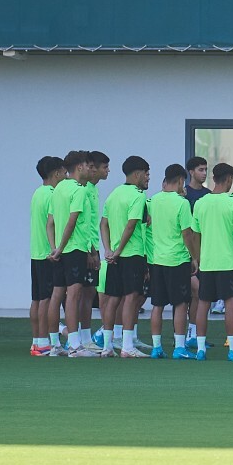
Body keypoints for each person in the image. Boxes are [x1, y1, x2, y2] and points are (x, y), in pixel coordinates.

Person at [189, 163, 233, 361]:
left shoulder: (201, 203)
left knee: (203, 304)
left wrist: (197, 258)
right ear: (228, 179)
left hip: (207, 263)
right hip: (228, 263)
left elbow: (194, 234)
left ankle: (200, 349)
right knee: (231, 304)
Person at [47, 150, 96, 356]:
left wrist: (54, 247)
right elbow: (72, 220)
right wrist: (61, 247)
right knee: (73, 295)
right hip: (74, 248)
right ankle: (75, 345)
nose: (89, 169)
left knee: (57, 294)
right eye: (87, 165)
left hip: (60, 250)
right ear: (79, 167)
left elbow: (50, 222)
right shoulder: (79, 190)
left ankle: (54, 345)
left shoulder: (57, 189)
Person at [147, 164, 196, 359]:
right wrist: (194, 257)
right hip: (177, 259)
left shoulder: (153, 200)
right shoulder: (182, 203)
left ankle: (156, 347)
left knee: (157, 305)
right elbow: (187, 234)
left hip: (157, 258)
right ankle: (179, 347)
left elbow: (149, 222)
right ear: (181, 181)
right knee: (181, 304)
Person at [102, 156, 150, 358]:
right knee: (131, 298)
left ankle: (107, 346)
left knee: (113, 299)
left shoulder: (113, 194)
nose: (148, 178)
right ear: (137, 174)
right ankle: (127, 346)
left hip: (114, 256)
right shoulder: (138, 196)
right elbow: (131, 225)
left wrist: (108, 250)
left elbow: (103, 223)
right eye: (146, 173)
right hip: (131, 254)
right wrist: (119, 250)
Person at [29, 156, 65, 356]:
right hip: (48, 253)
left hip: (36, 252)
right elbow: (53, 224)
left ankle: (36, 341)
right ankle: (44, 343)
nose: (66, 176)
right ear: (57, 173)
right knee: (48, 299)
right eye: (64, 172)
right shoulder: (53, 194)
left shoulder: (37, 193)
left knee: (37, 299)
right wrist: (55, 249)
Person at [81, 151, 110, 354]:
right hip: (85, 248)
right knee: (82, 293)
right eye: (104, 167)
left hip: (91, 247)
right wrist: (90, 250)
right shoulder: (84, 189)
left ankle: (85, 338)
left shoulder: (93, 189)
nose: (107, 171)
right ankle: (80, 339)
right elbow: (82, 223)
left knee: (89, 293)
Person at [183, 156, 210, 345]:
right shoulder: (183, 194)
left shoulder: (208, 195)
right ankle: (183, 334)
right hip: (184, 252)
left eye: (206, 169)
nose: (204, 173)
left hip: (205, 253)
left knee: (200, 295)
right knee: (189, 295)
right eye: (201, 169)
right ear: (191, 172)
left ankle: (193, 333)